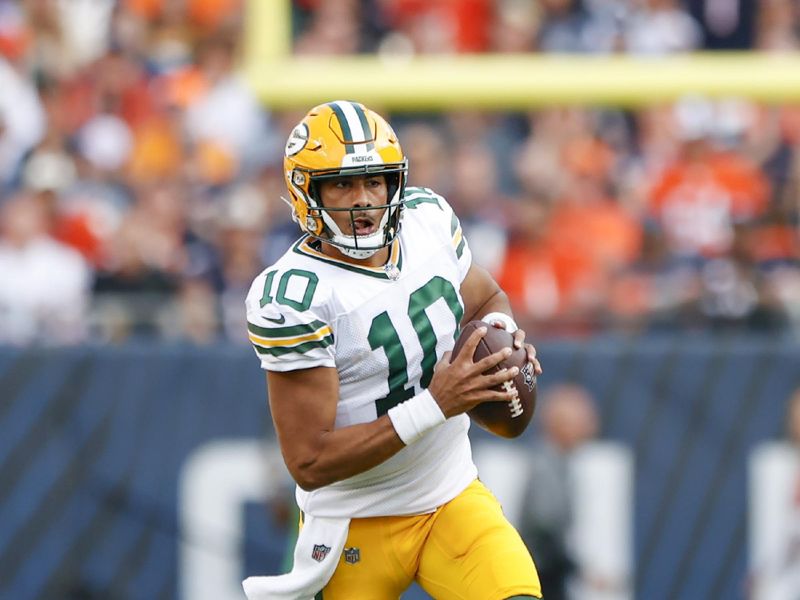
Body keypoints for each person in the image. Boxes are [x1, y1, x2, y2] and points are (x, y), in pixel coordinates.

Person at [243, 100, 543, 600]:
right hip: (356, 523)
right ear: (305, 191)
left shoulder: (427, 221)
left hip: (449, 494)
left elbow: (488, 298)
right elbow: (309, 460)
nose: (362, 199)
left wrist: (502, 339)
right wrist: (435, 404)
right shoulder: (295, 296)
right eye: (341, 184)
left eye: (374, 181)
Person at [517, 383, 599, 600]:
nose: (590, 427)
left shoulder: (557, 465)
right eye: (581, 421)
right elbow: (544, 528)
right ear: (559, 424)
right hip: (542, 580)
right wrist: (577, 569)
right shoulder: (547, 468)